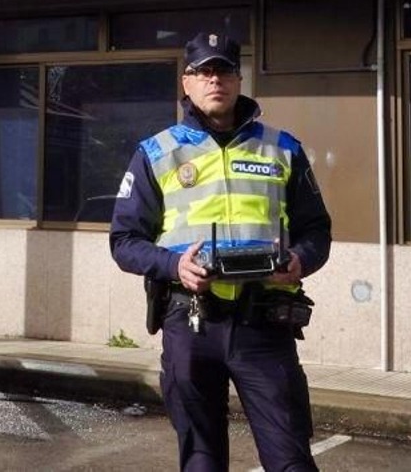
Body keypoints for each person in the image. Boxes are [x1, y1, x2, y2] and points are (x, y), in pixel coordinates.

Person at [111, 31, 333, 472]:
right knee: (201, 459)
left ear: (239, 78)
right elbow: (124, 242)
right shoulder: (157, 153)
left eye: (225, 70)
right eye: (204, 71)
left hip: (264, 326)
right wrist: (175, 264)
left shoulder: (282, 148)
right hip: (191, 323)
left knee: (291, 459)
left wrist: (300, 261)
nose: (216, 80)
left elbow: (317, 229)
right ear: (186, 83)